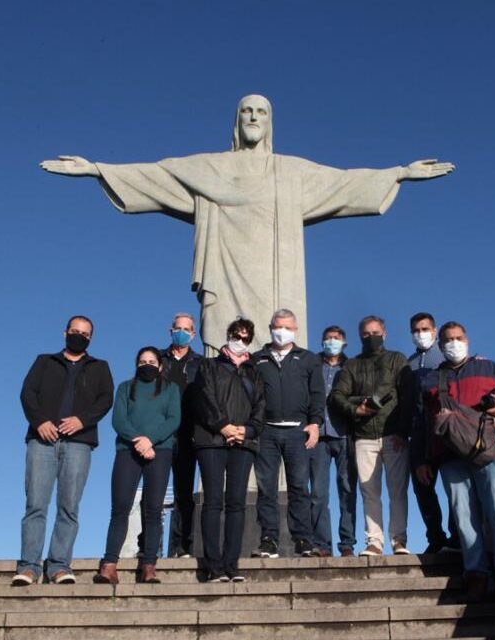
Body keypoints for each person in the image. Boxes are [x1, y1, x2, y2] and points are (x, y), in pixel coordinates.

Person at [40, 94, 454, 352]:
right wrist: (97, 169)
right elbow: (158, 174)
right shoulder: (209, 168)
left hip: (276, 281)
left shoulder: (290, 172)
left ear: (270, 122)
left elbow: (343, 182)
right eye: (246, 111)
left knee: (278, 355)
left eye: (261, 112)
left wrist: (397, 172)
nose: (253, 117)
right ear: (236, 122)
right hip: (226, 275)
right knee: (226, 356)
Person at [412, 321, 495, 603]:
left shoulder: (490, 368)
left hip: (489, 451)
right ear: (441, 346)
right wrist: (422, 460)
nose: (454, 343)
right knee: (464, 519)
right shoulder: (431, 380)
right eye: (449, 340)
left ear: (467, 339)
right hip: (451, 456)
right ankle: (477, 576)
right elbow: (423, 424)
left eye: (459, 337)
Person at [14, 316, 114, 585]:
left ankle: (59, 565)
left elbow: (106, 400)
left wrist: (82, 420)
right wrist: (39, 422)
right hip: (42, 441)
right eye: (75, 331)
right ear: (65, 333)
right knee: (35, 504)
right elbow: (27, 393)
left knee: (69, 507)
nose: (79, 336)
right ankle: (29, 567)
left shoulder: (100, 367)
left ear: (91, 338)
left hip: (79, 444)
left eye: (85, 333)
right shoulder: (44, 361)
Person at [329, 316, 414, 556]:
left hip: (394, 435)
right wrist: (356, 409)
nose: (371, 337)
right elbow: (338, 396)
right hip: (364, 436)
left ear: (385, 333)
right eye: (366, 334)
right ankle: (374, 542)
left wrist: (403, 431)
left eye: (375, 332)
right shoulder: (352, 365)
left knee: (397, 491)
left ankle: (399, 540)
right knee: (370, 493)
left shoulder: (397, 359)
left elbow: (407, 396)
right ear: (359, 336)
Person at [94, 347, 180, 585]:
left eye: (152, 361)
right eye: (142, 361)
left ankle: (149, 566)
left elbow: (173, 419)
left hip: (159, 451)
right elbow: (119, 419)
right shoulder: (125, 388)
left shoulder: (171, 389)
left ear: (160, 365)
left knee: (153, 509)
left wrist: (150, 440)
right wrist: (138, 440)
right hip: (128, 451)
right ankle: (109, 564)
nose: (147, 364)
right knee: (120, 507)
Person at [194, 318, 265, 582]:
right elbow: (204, 398)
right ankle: (213, 566)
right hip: (212, 440)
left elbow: (260, 406)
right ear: (228, 334)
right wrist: (223, 426)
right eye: (237, 335)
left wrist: (246, 431)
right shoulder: (209, 365)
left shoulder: (253, 372)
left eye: (246, 337)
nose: (240, 340)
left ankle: (231, 564)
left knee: (236, 504)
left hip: (243, 443)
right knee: (213, 501)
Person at [251, 308, 323, 558]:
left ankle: (303, 539)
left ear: (295, 330)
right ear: (270, 327)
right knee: (266, 488)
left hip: (297, 432)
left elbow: (317, 394)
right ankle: (268, 539)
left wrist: (315, 423)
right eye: (277, 326)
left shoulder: (309, 359)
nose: (282, 331)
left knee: (299, 487)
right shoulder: (256, 359)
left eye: (287, 327)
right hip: (266, 433)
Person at [407, 312, 459, 554]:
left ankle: (457, 537)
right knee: (423, 488)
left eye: (425, 329)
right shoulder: (408, 365)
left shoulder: (447, 359)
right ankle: (435, 537)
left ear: (435, 330)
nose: (421, 334)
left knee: (454, 487)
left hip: (447, 433)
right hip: (419, 434)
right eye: (416, 330)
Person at [309, 325, 358, 557]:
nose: (331, 342)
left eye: (336, 338)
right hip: (317, 436)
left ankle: (347, 543)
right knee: (318, 493)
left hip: (345, 434)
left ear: (344, 343)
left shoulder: (352, 367)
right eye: (327, 338)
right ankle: (322, 544)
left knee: (347, 490)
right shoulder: (312, 365)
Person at [161, 312, 204, 559]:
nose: (182, 332)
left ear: (193, 334)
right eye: (178, 328)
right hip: (161, 435)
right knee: (154, 492)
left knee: (184, 492)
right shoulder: (158, 359)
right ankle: (147, 544)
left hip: (187, 433)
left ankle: (182, 545)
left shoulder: (200, 363)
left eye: (187, 329)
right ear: (171, 330)